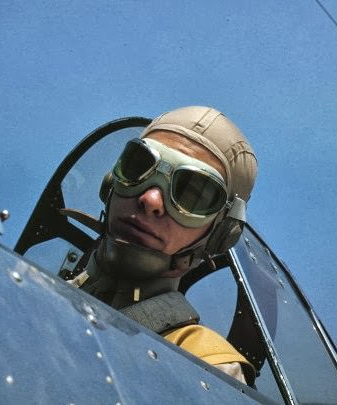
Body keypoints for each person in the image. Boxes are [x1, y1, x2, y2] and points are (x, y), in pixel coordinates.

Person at [65, 106, 258, 384]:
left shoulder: (208, 370)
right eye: (139, 166)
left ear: (220, 234)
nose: (151, 200)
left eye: (192, 194)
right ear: (111, 183)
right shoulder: (30, 288)